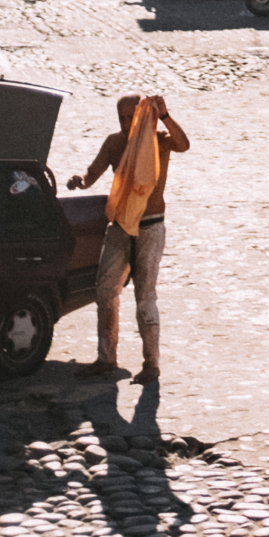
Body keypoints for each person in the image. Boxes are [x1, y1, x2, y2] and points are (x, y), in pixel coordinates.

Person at [70, 93, 191, 382]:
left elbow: (184, 145)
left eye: (131, 117)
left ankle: (151, 364)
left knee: (145, 297)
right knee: (105, 291)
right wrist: (80, 181)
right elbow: (92, 173)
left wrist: (165, 115)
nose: (126, 123)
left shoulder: (159, 139)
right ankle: (106, 358)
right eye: (122, 118)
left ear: (143, 115)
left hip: (150, 226)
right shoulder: (114, 143)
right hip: (121, 224)